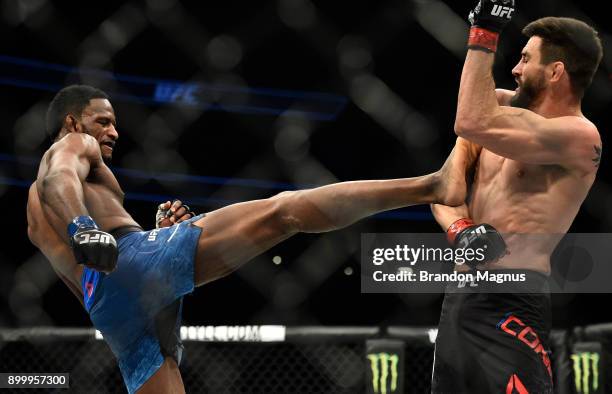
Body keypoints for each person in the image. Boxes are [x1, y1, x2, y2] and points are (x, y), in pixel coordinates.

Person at [26, 85, 475, 393]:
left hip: (108, 305)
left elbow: (93, 278)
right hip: (126, 259)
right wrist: (88, 229)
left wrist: (152, 238)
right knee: (283, 211)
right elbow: (58, 178)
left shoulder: (32, 219)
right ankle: (433, 185)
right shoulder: (71, 147)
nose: (113, 132)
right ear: (72, 122)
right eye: (102, 121)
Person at [430, 1, 603, 392]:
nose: (515, 68)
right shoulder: (499, 109)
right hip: (458, 297)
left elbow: (469, 120)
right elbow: (445, 188)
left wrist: (484, 33)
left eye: (526, 59)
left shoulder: (580, 137)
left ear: (556, 71)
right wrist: (461, 230)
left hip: (514, 296)